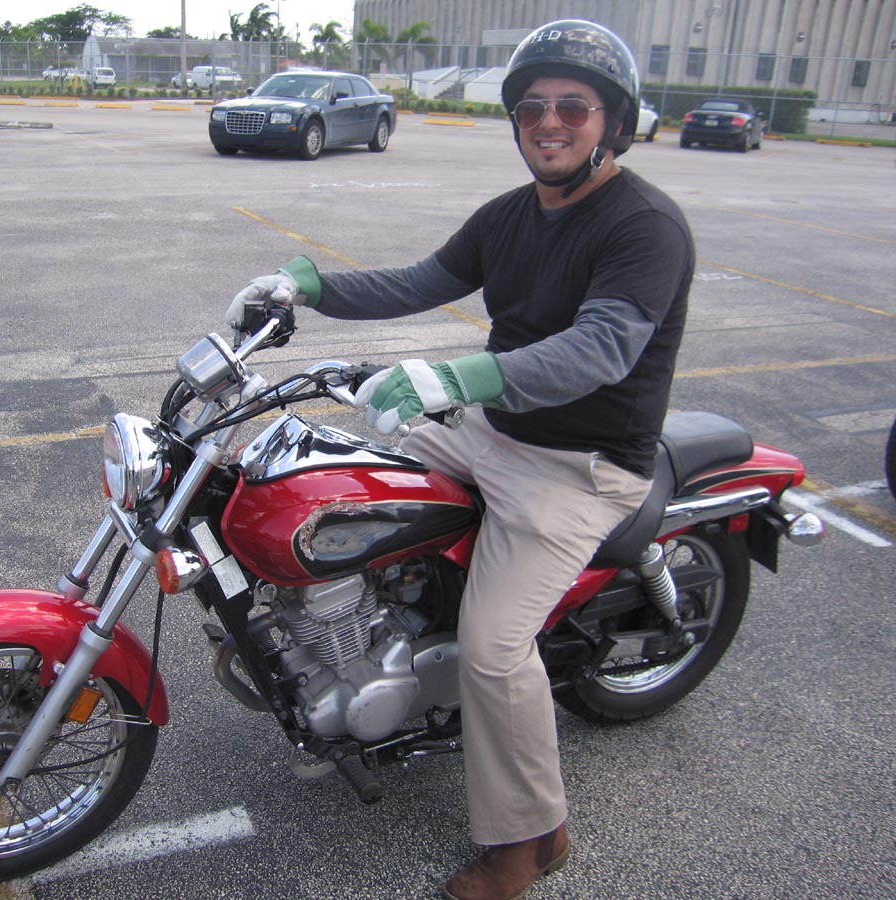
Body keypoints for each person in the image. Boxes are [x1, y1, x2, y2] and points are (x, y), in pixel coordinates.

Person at [225, 20, 694, 900]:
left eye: (572, 107)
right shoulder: (511, 215)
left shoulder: (646, 227)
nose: (548, 123)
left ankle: (531, 841)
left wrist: (455, 376)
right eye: (531, 108)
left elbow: (601, 347)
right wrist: (307, 284)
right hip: (490, 429)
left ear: (615, 122)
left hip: (579, 464)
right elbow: (418, 281)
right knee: (342, 489)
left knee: (492, 650)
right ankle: (364, 646)